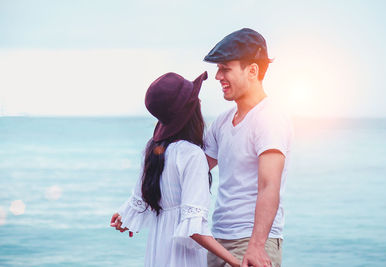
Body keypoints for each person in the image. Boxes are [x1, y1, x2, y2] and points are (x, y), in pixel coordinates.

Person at [110, 72, 240, 267]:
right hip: (181, 257)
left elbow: (139, 201)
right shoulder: (192, 155)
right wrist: (236, 262)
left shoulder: (154, 151)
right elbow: (194, 229)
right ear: (190, 110)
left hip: (158, 250)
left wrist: (124, 217)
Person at [203, 28, 294, 267]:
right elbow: (195, 168)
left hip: (251, 243)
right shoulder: (222, 122)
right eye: (217, 69)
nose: (218, 76)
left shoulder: (269, 118)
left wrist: (256, 245)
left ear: (252, 70)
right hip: (218, 238)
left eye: (225, 69)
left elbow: (268, 185)